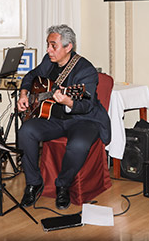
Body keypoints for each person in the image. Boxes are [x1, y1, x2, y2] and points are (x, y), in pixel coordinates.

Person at [17, 24, 111, 209]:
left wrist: (68, 101)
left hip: (84, 120)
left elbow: (86, 104)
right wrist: (23, 94)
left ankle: (63, 185)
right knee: (26, 131)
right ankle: (34, 183)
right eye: (48, 45)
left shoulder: (86, 70)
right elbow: (31, 75)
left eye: (53, 46)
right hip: (54, 118)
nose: (48, 50)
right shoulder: (48, 61)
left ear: (68, 47)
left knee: (78, 144)